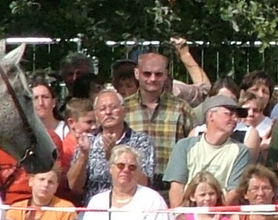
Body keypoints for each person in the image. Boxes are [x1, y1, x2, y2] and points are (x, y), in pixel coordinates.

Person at [68, 86, 155, 204]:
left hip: (132, 208)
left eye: (113, 107)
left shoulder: (141, 141)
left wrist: (115, 156)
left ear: (124, 111)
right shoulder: (88, 142)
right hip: (96, 209)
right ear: (96, 115)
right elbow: (74, 187)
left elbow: (145, 183)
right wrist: (84, 155)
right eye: (103, 109)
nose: (108, 112)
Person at [162, 96, 252, 206]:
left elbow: (234, 192)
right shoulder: (185, 146)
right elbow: (176, 186)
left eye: (236, 116)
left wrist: (212, 218)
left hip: (222, 217)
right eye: (229, 114)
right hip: (187, 214)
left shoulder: (240, 151)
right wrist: (180, 216)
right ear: (211, 116)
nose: (235, 119)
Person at [125, 51, 195, 190]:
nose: (152, 79)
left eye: (158, 74)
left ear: (165, 75)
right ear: (137, 73)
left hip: (170, 187)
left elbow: (194, 149)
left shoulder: (181, 108)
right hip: (133, 185)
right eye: (147, 73)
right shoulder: (123, 108)